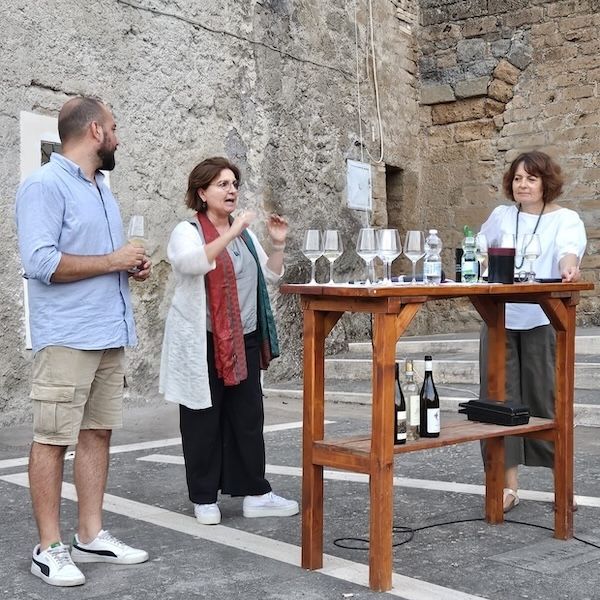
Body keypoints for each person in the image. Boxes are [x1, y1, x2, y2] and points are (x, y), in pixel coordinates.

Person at [15, 96, 152, 587]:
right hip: (67, 337)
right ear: (95, 131)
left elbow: (99, 259)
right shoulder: (43, 185)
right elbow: (41, 262)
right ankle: (48, 547)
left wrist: (128, 267)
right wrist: (113, 260)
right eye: (113, 128)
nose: (118, 138)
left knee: (98, 433)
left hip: (108, 332)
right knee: (52, 439)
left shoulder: (101, 189)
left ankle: (90, 535)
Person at [159, 156, 299, 525]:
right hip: (202, 340)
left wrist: (278, 244)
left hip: (244, 339)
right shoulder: (187, 230)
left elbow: (271, 277)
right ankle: (204, 497)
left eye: (234, 183)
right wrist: (231, 233)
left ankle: (256, 493)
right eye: (222, 184)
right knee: (202, 419)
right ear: (202, 192)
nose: (232, 189)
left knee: (248, 417)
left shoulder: (245, 235)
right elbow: (190, 263)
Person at [478, 150, 586, 512]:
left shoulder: (565, 219)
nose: (522, 184)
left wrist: (569, 269)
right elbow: (479, 248)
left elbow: (568, 253)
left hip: (544, 318)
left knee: (548, 401)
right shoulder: (501, 216)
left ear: (546, 183)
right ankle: (507, 487)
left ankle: (562, 486)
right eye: (517, 178)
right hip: (499, 318)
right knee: (498, 402)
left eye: (531, 178)